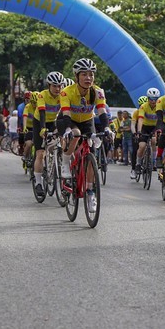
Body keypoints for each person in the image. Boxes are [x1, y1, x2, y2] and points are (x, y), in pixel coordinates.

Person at [56, 58, 111, 213]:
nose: (88, 78)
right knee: (76, 134)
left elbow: (101, 112)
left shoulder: (98, 92)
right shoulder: (67, 91)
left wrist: (107, 128)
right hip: (67, 120)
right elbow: (66, 113)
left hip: (87, 121)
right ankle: (66, 163)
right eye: (84, 74)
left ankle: (90, 191)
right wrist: (67, 129)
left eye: (91, 75)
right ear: (76, 76)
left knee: (91, 152)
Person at [33, 71, 64, 197]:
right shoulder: (42, 95)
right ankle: (38, 183)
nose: (57, 89)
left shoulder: (63, 95)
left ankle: (57, 163)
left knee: (62, 143)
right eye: (54, 86)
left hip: (54, 121)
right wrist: (42, 128)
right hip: (40, 121)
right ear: (49, 85)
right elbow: (42, 113)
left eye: (60, 86)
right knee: (40, 153)